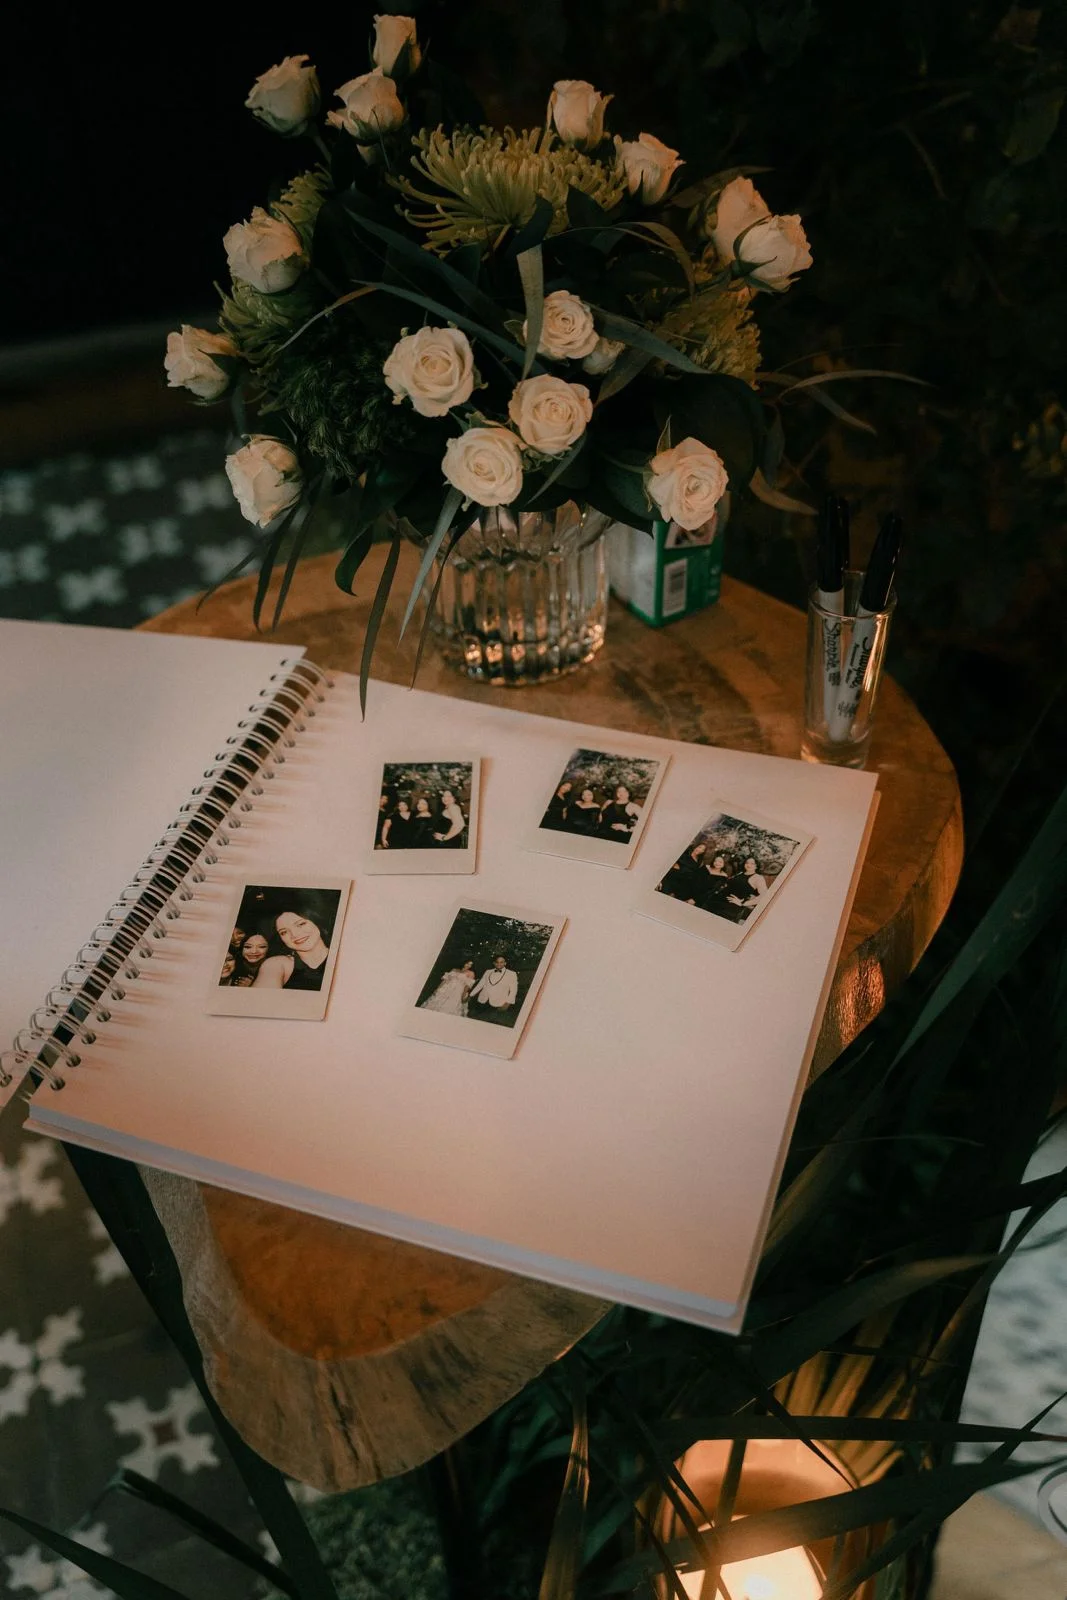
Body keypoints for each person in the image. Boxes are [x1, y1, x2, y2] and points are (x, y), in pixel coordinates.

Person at [254, 903, 332, 991]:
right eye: (284, 932)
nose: (294, 934)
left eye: (301, 924)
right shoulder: (277, 964)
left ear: (316, 921)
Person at [468, 953, 519, 1023]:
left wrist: (508, 1003)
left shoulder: (511, 974)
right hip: (483, 1000)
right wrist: (471, 995)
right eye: (497, 962)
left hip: (498, 1002)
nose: (499, 964)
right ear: (494, 963)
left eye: (501, 962)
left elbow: (514, 990)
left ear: (505, 963)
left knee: (491, 1022)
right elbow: (480, 984)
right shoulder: (488, 971)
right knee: (478, 1021)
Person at [724, 855, 769, 920]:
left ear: (756, 866)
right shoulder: (740, 873)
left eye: (752, 863)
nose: (748, 865)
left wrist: (743, 903)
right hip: (720, 900)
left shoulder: (758, 878)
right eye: (747, 863)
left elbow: (764, 896)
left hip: (730, 907)